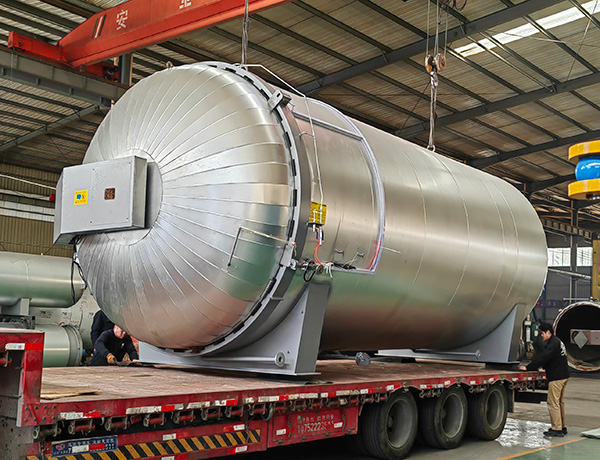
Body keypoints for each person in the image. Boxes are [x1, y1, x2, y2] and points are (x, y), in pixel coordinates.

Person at [519, 322, 570, 437]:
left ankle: (556, 429)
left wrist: (528, 367)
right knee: (559, 403)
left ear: (548, 332)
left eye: (542, 333)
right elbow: (549, 358)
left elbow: (543, 357)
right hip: (563, 375)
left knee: (553, 403)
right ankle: (562, 426)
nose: (541, 336)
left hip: (557, 377)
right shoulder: (557, 341)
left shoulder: (553, 343)